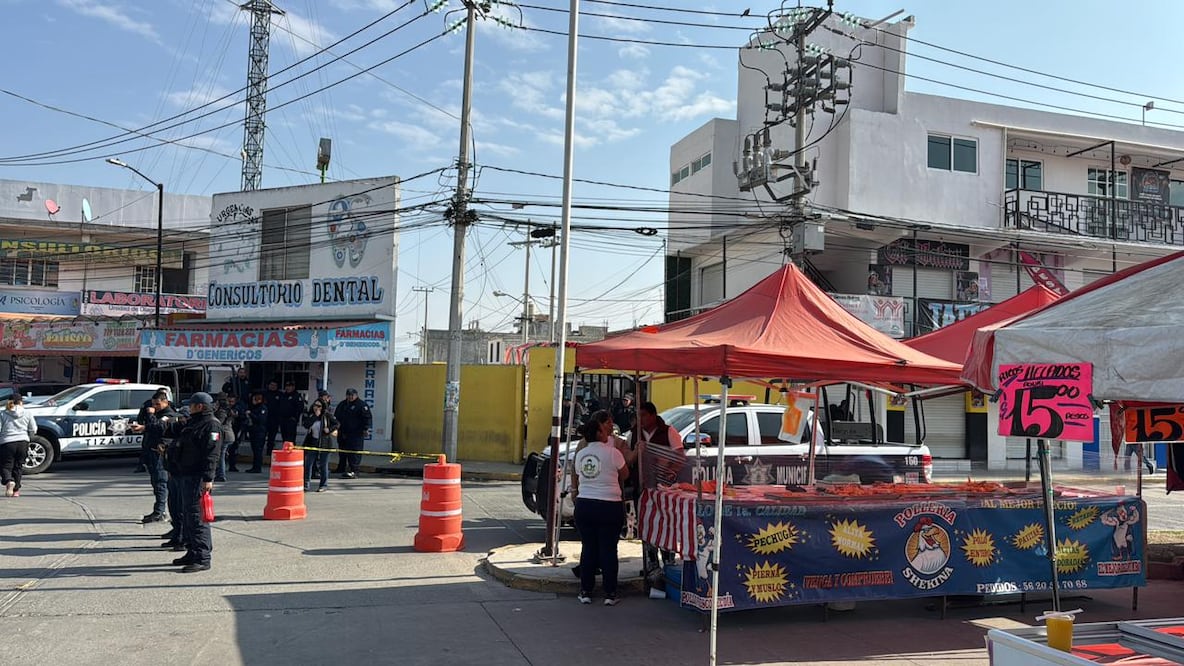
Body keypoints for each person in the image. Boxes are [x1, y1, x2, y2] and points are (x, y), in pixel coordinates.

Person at [571, 410, 628, 606]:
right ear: (599, 434)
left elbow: (578, 476)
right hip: (610, 506)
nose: (608, 434)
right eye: (605, 431)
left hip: (585, 504)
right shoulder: (613, 453)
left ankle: (585, 591)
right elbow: (625, 474)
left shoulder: (580, 454)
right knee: (609, 549)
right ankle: (610, 594)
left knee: (588, 548)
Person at [161, 392, 221, 573]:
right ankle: (192, 551)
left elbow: (212, 454)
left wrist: (208, 478)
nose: (189, 407)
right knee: (187, 515)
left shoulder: (211, 425)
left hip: (197, 477)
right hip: (185, 474)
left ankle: (202, 557)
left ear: (200, 406)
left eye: (192, 405)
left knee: (197, 517)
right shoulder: (195, 422)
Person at [129, 391, 179, 524]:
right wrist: (143, 426)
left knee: (161, 482)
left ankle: (160, 512)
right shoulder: (156, 414)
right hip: (151, 451)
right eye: (153, 404)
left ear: (165, 402)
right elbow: (150, 426)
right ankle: (158, 510)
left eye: (157, 404)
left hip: (160, 453)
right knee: (156, 482)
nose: (154, 407)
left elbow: (158, 427)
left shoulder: (169, 415)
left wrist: (150, 415)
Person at [0, 394, 37, 498]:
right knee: (18, 466)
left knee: (5, 466)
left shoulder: (3, 413)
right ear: (21, 402)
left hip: (7, 442)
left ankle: (9, 481)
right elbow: (33, 429)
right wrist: (29, 437)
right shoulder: (28, 413)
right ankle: (16, 491)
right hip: (23, 442)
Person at [334, 388, 372, 478]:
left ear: (356, 395)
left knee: (354, 453)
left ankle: (354, 470)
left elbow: (367, 418)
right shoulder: (342, 404)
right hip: (343, 432)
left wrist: (366, 429)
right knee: (342, 451)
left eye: (352, 395)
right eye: (348, 395)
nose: (350, 397)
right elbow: (336, 417)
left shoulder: (361, 405)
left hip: (356, 434)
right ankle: (341, 468)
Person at [302, 401, 338, 492]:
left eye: (319, 406)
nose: (316, 408)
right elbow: (306, 424)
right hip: (313, 442)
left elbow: (337, 423)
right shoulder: (311, 415)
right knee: (308, 464)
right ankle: (306, 484)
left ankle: (323, 485)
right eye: (315, 405)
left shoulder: (326, 415)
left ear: (322, 407)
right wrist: (314, 416)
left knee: (323, 464)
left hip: (325, 442)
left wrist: (329, 430)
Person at [212, 393, 236, 482]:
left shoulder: (222, 411)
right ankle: (220, 473)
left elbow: (219, 423)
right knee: (222, 454)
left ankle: (221, 474)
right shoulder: (228, 410)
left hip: (224, 435)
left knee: (221, 455)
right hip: (229, 435)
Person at [244, 391, 269, 473]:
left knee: (258, 450)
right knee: (255, 450)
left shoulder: (263, 408)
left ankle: (257, 467)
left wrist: (251, 414)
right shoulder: (253, 407)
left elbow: (260, 420)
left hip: (259, 432)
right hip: (253, 431)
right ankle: (254, 466)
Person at [276, 381, 305, 447]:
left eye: (290, 386)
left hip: (291, 420)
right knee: (284, 437)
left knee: (290, 438)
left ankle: (291, 452)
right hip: (283, 419)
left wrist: (295, 418)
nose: (288, 388)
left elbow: (300, 408)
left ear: (293, 387)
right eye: (287, 386)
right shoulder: (283, 395)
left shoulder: (297, 396)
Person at [263, 380, 282, 455]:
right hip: (264, 419)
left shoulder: (280, 394)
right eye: (271, 384)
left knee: (272, 438)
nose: (273, 386)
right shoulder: (264, 394)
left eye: (275, 385)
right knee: (262, 437)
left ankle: (269, 452)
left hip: (275, 419)